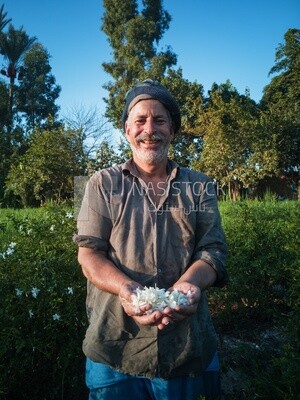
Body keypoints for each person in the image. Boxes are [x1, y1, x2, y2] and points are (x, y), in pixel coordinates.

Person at [74, 79, 228, 400]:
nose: (150, 129)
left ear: (172, 129)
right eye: (140, 120)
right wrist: (126, 289)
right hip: (115, 348)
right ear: (127, 129)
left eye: (159, 120)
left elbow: (213, 251)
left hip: (185, 348)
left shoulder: (200, 185)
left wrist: (188, 286)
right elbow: (89, 254)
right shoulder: (100, 183)